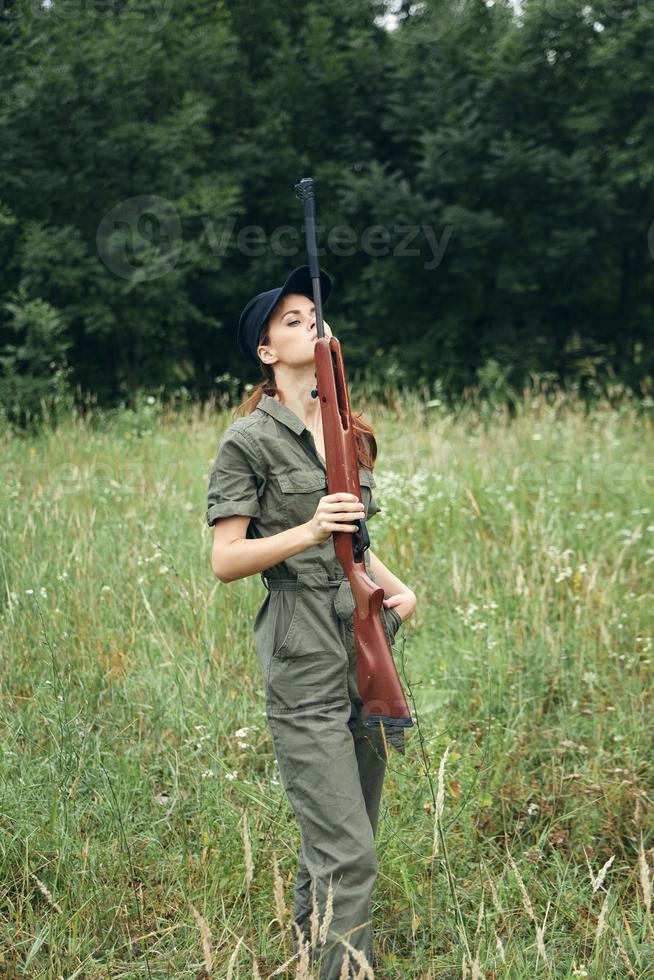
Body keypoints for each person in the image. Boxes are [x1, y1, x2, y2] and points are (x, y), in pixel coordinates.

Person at [205, 264, 416, 978]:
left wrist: (395, 587)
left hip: (363, 639)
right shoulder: (248, 442)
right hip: (301, 650)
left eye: (314, 315)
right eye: (290, 319)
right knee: (349, 852)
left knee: (340, 840)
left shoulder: (348, 433)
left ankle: (311, 960)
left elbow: (354, 544)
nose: (309, 324)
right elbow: (226, 559)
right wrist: (305, 531)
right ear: (264, 352)